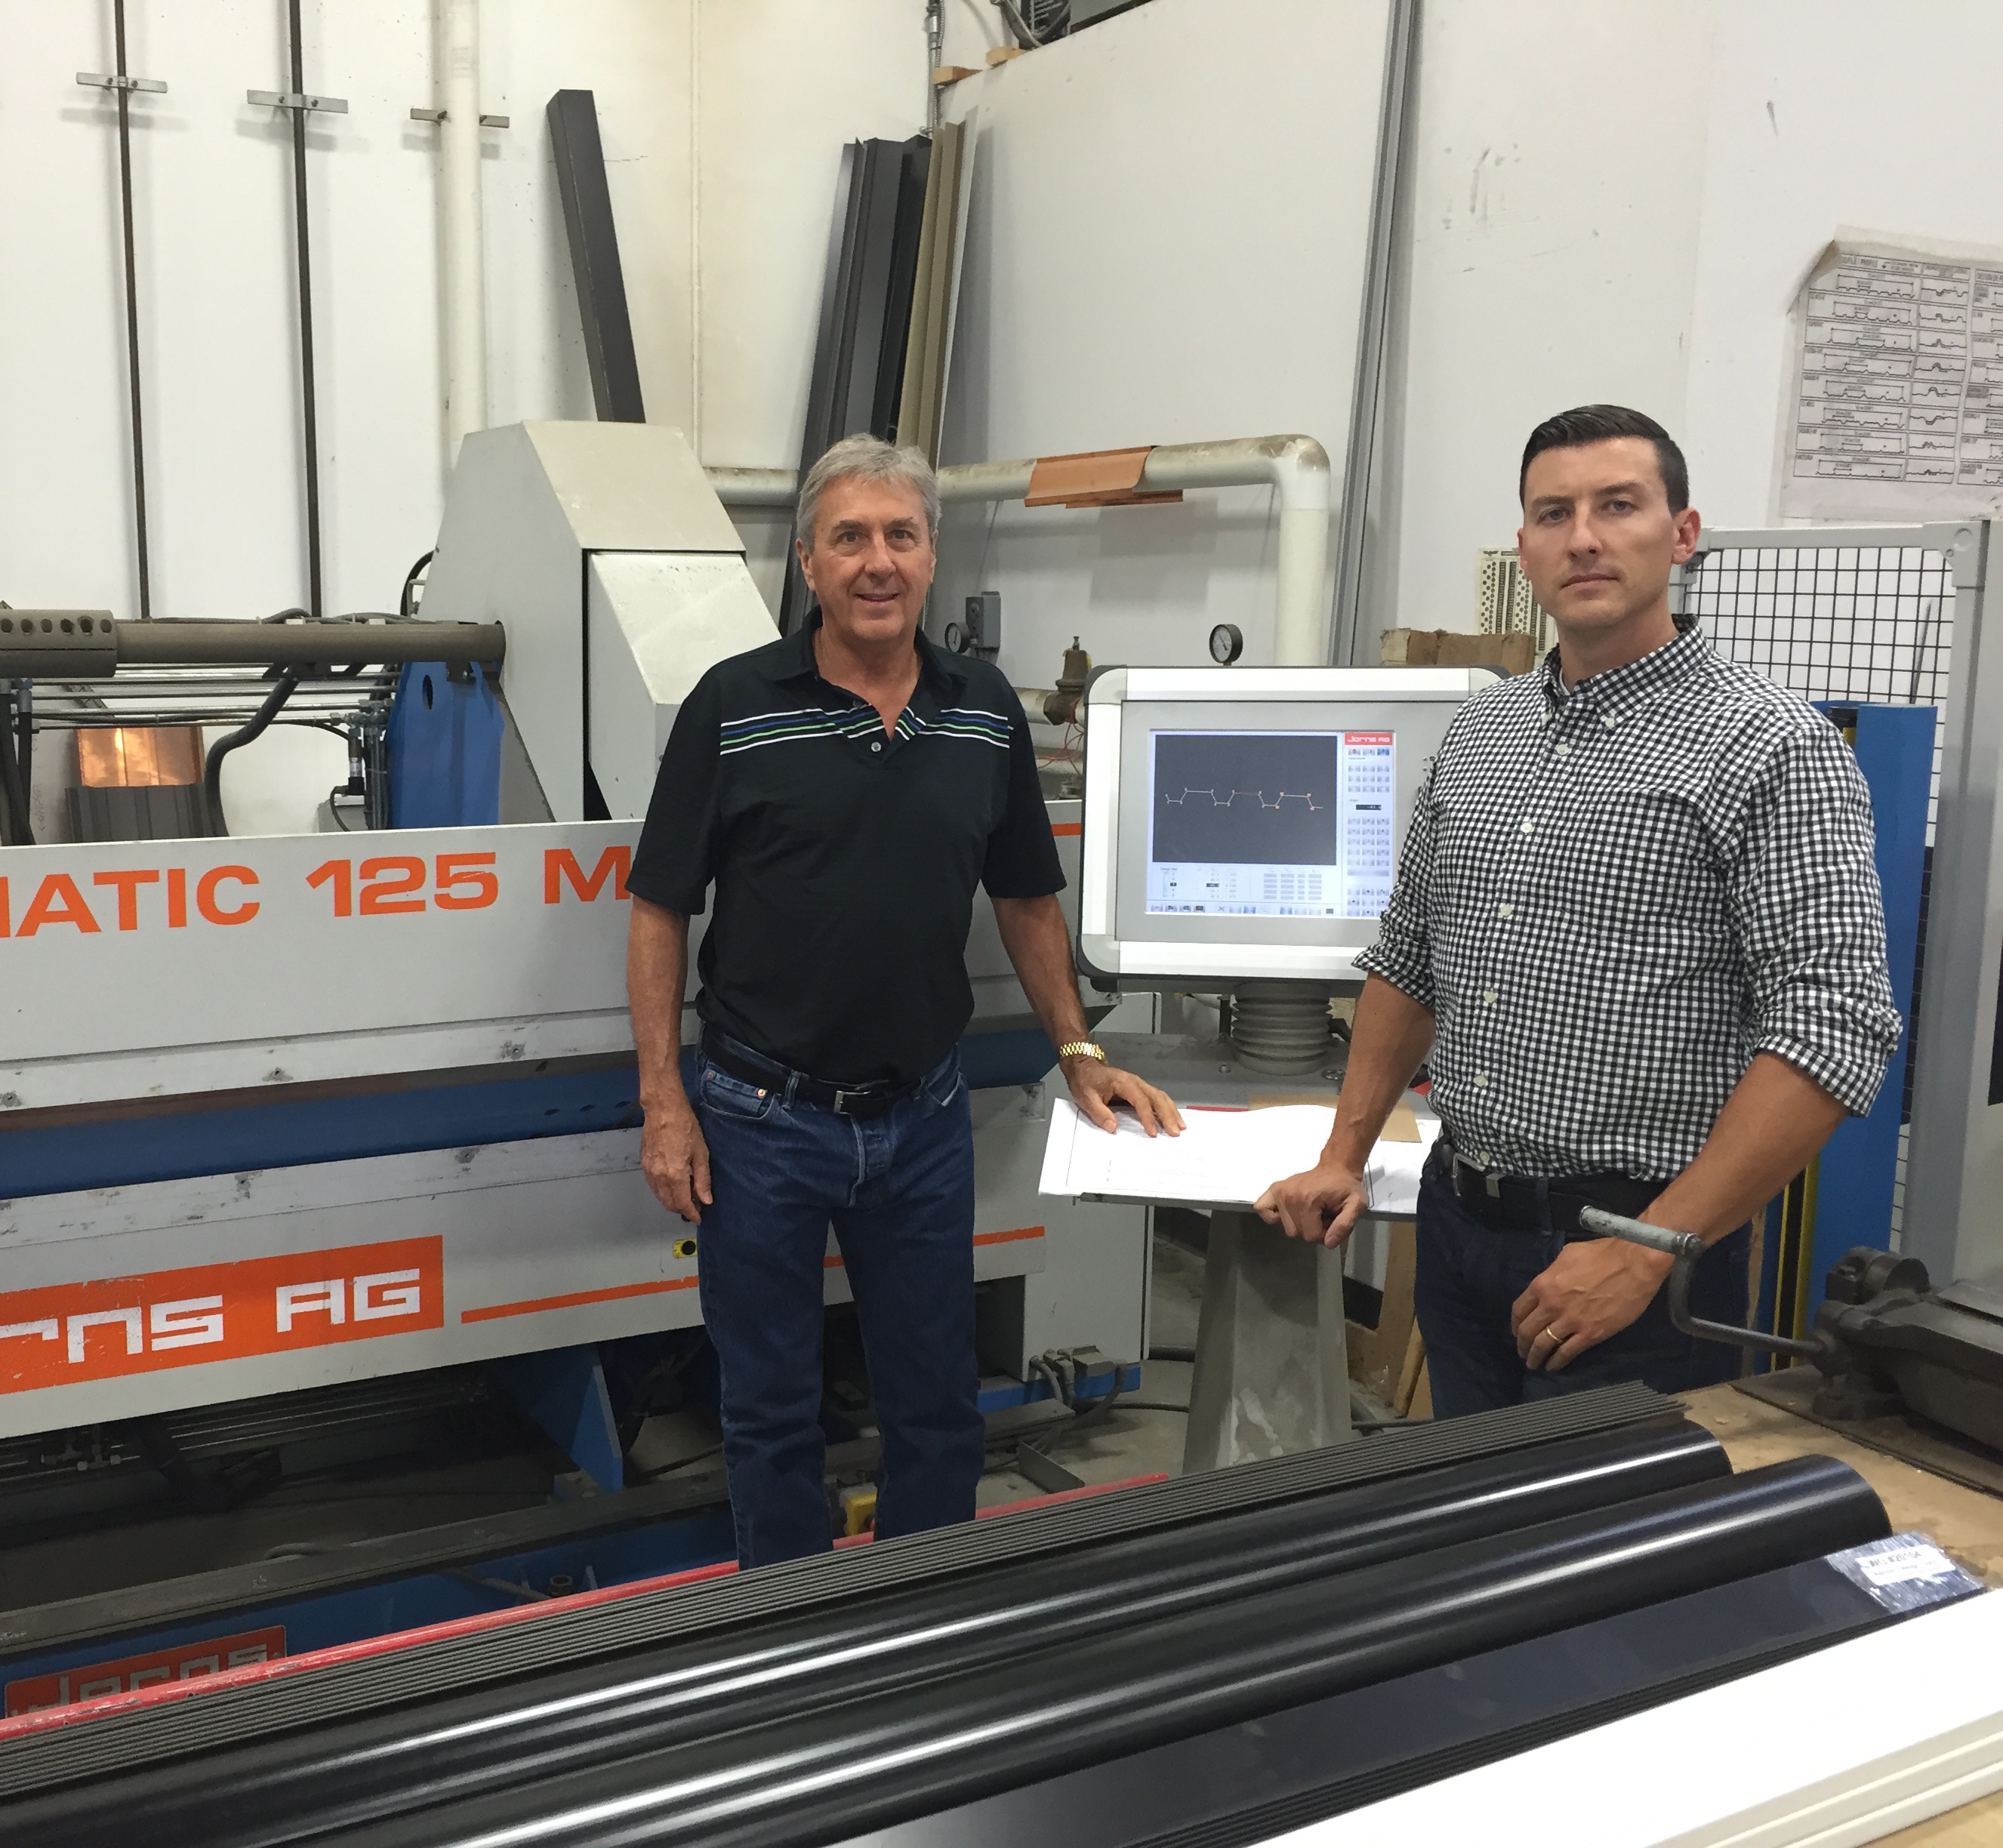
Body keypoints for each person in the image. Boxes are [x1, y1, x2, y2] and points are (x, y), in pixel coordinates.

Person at [1256, 405, 1901, 1416]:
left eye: (1619, 506)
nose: (1585, 538)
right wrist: (1345, 1156)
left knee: (1609, 1520)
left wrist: (1647, 1250)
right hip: (1459, 1230)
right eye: (1554, 514)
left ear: (1682, 534)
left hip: (1641, 1262)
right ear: (1525, 548)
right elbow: (1410, 960)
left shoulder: (1771, 746)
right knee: (1476, 1501)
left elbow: (1835, 1026)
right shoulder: (1482, 730)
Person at [624, 433, 1181, 1566]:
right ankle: (794, 1630)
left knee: (936, 1409)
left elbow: (1026, 897)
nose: (877, 561)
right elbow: (658, 910)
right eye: (849, 538)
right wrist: (663, 1102)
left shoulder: (983, 709)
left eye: (900, 536)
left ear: (931, 556)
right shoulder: (732, 705)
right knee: (770, 1414)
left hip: (921, 1122)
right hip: (759, 1122)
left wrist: (1077, 1050)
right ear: (808, 564)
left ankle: (929, 1624)